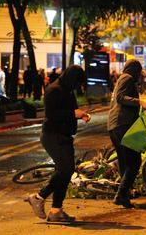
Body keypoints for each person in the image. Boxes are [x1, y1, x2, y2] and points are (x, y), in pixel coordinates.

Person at [25, 65, 91, 222]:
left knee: (65, 172)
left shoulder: (67, 89)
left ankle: (56, 210)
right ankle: (38, 197)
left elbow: (70, 110)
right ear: (71, 78)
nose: (77, 86)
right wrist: (73, 113)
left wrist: (80, 115)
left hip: (64, 135)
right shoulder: (53, 90)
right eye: (77, 82)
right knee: (65, 169)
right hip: (53, 135)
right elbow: (51, 114)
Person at [108, 59, 146, 208]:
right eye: (139, 72)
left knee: (125, 162)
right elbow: (121, 98)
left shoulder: (122, 78)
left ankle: (124, 195)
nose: (139, 75)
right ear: (135, 70)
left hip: (115, 125)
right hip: (122, 125)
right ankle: (121, 195)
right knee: (134, 162)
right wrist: (140, 102)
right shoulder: (127, 78)